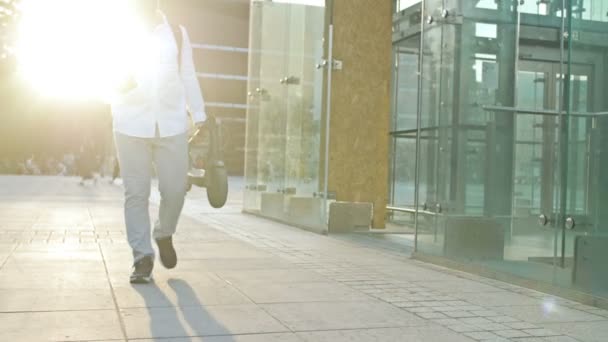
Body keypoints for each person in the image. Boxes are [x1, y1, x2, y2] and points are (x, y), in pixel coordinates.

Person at [111, 0, 206, 283]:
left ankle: (164, 232)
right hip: (130, 123)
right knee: (136, 193)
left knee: (175, 189)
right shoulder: (119, 31)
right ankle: (142, 257)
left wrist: (200, 115)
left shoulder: (176, 33)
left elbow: (188, 74)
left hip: (171, 123)